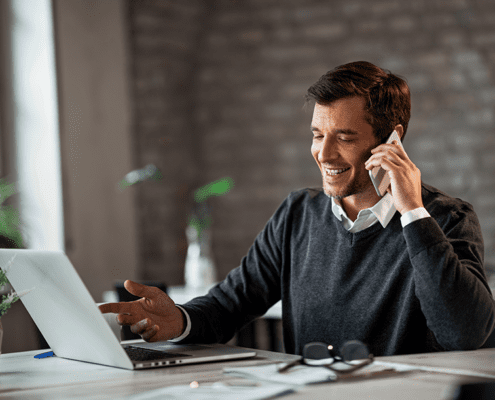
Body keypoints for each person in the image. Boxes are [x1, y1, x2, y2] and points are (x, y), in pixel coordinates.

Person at [99, 61, 495, 356]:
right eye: (318, 134)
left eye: (344, 137)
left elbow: (464, 333)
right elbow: (229, 304)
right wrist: (180, 320)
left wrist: (412, 210)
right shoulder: (297, 215)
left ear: (392, 139)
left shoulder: (445, 219)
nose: (323, 153)